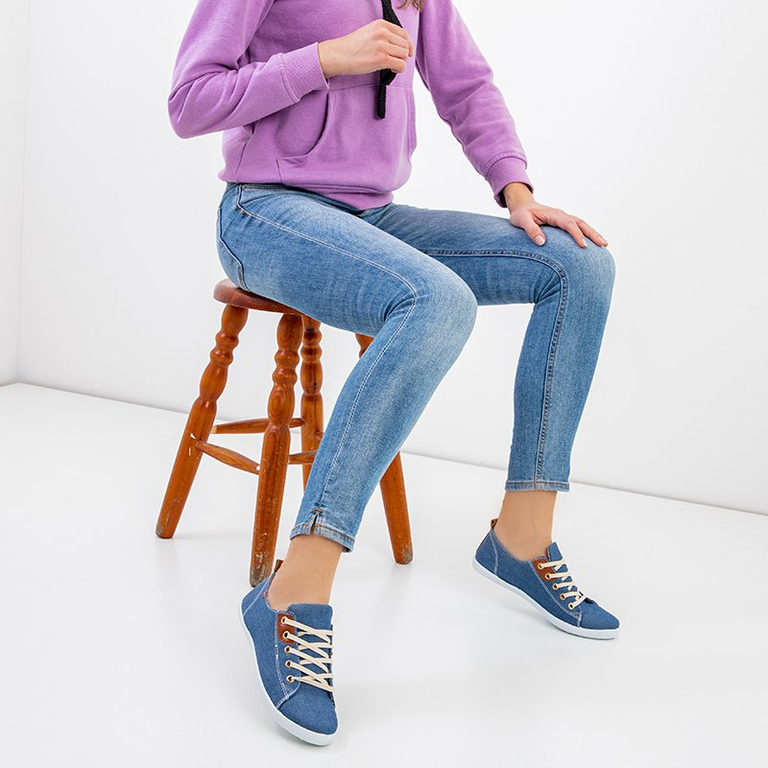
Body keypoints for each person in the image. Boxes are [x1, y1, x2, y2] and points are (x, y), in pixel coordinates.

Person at [168, 0, 618, 746]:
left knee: (580, 265)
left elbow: (466, 86)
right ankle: (293, 589)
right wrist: (324, 61)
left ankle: (523, 537)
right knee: (436, 301)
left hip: (371, 217)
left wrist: (516, 189)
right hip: (265, 213)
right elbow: (189, 102)